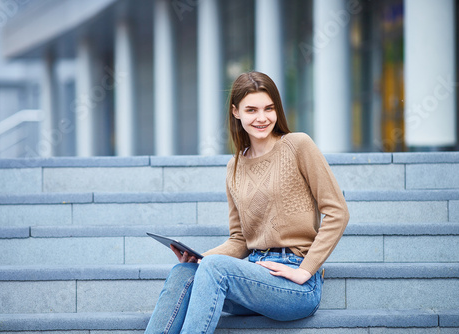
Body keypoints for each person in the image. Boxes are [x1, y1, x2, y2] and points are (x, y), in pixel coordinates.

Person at [145, 71, 350, 334]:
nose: (262, 118)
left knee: (214, 268)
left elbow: (337, 211)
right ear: (236, 112)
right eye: (251, 110)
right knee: (183, 271)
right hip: (249, 276)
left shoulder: (298, 145)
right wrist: (200, 259)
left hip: (296, 284)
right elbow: (240, 239)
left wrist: (306, 270)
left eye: (269, 108)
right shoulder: (234, 167)